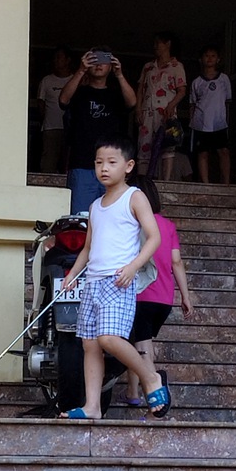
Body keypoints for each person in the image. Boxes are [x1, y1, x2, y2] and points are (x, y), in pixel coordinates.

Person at [58, 136, 167, 420]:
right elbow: (88, 247)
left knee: (108, 338)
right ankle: (92, 406)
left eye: (111, 162)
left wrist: (133, 267)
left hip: (118, 281)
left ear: (128, 166)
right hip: (93, 282)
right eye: (98, 162)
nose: (103, 168)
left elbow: (154, 237)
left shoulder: (135, 197)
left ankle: (150, 376)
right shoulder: (95, 206)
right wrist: (73, 274)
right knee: (89, 343)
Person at [120, 177, 195, 408]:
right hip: (163, 299)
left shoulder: (132, 223)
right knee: (137, 342)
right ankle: (133, 392)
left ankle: (157, 387)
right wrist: (185, 296)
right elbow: (176, 261)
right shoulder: (168, 226)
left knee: (142, 348)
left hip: (140, 294)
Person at [59, 47, 137, 215]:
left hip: (113, 166)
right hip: (82, 164)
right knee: (80, 219)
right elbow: (63, 100)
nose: (99, 64)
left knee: (112, 218)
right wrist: (81, 70)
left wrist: (119, 74)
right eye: (94, 59)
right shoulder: (80, 92)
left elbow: (132, 103)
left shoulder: (116, 94)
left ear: (110, 64)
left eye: (104, 59)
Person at [136, 32, 187, 172]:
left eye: (158, 43)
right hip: (148, 110)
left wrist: (171, 105)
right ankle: (142, 180)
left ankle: (166, 182)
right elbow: (141, 88)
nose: (155, 47)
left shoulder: (176, 66)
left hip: (166, 112)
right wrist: (138, 108)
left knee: (168, 145)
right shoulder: (148, 67)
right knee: (144, 145)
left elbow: (182, 90)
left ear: (167, 44)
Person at [188, 45, 234, 184]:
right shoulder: (197, 82)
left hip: (219, 123)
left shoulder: (224, 79)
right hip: (201, 123)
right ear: (201, 59)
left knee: (224, 152)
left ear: (218, 59)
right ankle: (205, 182)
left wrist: (225, 120)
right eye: (206, 56)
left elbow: (227, 100)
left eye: (213, 55)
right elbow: (192, 104)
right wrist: (192, 124)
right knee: (203, 153)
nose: (210, 58)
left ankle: (225, 182)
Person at [35, 47, 76, 173]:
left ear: (68, 60)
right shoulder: (47, 80)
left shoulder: (75, 80)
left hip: (71, 129)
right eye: (55, 58)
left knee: (68, 163)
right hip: (50, 128)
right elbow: (40, 102)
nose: (56, 61)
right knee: (48, 163)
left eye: (59, 57)